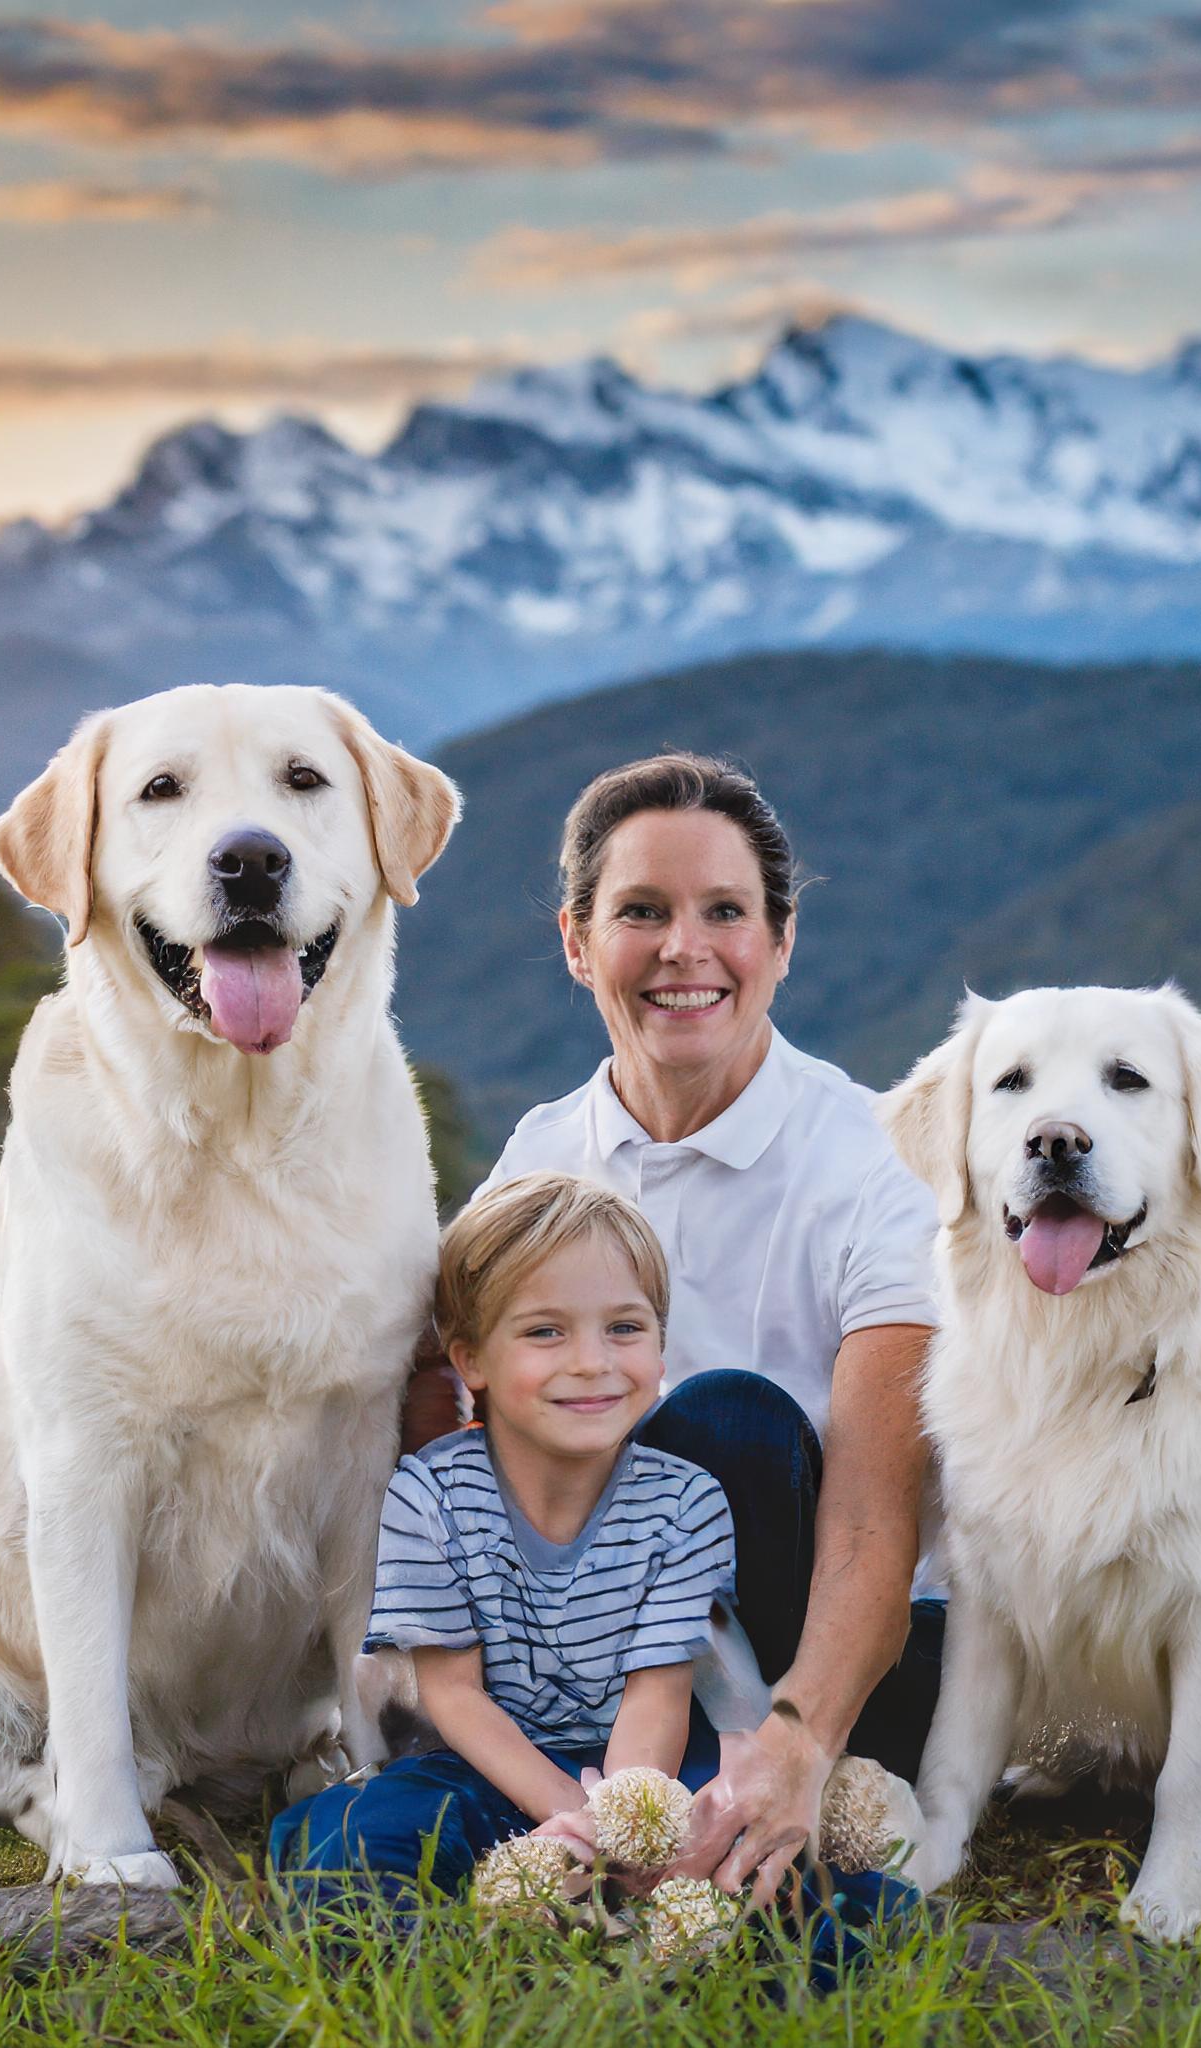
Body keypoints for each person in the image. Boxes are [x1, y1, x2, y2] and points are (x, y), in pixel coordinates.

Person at [418, 752, 943, 1906]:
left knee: (727, 1419)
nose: (683, 949)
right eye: (639, 912)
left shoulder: (875, 1169)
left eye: (725, 912)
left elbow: (872, 1517)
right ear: (574, 939)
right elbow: (464, 1436)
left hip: (823, 1653)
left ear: (782, 938)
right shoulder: (539, 1157)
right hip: (603, 1653)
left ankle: (759, 1801)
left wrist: (799, 1737)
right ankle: (598, 1811)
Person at [271, 1171, 736, 1895]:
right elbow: (454, 1696)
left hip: (649, 1763)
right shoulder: (430, 1497)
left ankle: (646, 1910)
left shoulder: (687, 1504)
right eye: (545, 1331)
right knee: (347, 1840)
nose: (592, 1362)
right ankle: (474, 1930)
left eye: (625, 1327)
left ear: (660, 1344)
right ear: (472, 1360)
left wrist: (622, 1828)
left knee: (738, 1832)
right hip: (482, 1760)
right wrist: (567, 1812)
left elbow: (658, 1694)